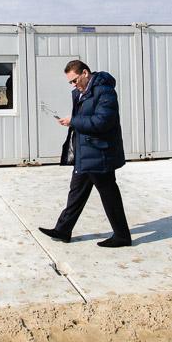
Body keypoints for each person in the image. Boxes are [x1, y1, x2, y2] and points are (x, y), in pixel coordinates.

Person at [39, 60, 133, 248]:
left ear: (84, 73)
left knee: (109, 195)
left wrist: (74, 120)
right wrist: (72, 121)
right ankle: (63, 230)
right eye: (70, 83)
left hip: (99, 153)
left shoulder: (104, 91)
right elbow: (85, 119)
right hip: (85, 151)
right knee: (76, 192)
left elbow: (103, 121)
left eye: (74, 80)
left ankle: (122, 236)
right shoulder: (81, 93)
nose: (73, 85)